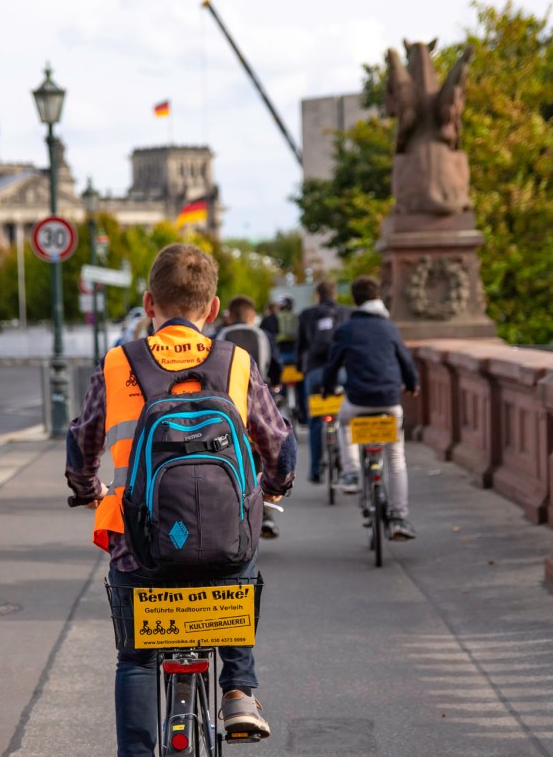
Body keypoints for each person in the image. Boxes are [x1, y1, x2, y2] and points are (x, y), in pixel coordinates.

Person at [65, 244, 297, 756]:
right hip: (219, 542)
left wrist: (87, 491)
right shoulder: (236, 362)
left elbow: (82, 439)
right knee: (242, 541)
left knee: (136, 659)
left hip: (140, 544)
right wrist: (276, 485)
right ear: (212, 310)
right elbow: (278, 441)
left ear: (149, 303)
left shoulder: (117, 362)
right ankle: (238, 690)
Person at [321, 275, 419, 540]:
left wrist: (328, 387)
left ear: (354, 300)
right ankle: (399, 517)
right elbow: (405, 362)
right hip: (389, 402)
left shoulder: (346, 329)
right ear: (379, 299)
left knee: (344, 422)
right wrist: (412, 384)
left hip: (359, 401)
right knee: (396, 459)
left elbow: (332, 366)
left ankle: (352, 472)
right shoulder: (389, 328)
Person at [216, 294, 283, 539]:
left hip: (227, 409)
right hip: (257, 407)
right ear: (253, 316)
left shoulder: (220, 338)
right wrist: (276, 384)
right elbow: (275, 366)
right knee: (264, 455)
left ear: (230, 316)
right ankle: (266, 514)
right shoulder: (264, 336)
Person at [296, 280, 353, 483]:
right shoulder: (347, 313)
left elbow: (301, 345)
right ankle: (349, 469)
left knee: (316, 422)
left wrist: (299, 367)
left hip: (315, 372)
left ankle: (315, 470)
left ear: (317, 296)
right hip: (341, 371)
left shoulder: (307, 315)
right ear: (335, 294)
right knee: (345, 418)